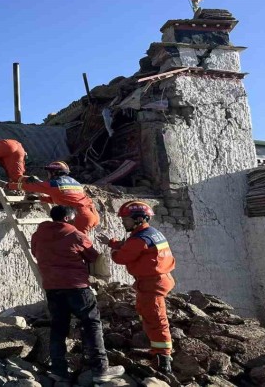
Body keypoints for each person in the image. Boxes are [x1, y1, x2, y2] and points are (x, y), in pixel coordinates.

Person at [31, 205, 125, 382]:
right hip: (77, 287)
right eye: (74, 218)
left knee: (58, 327)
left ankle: (58, 370)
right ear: (67, 219)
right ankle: (100, 369)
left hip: (52, 287)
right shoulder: (76, 235)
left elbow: (35, 253)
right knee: (91, 324)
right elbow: (93, 257)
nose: (76, 221)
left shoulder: (38, 234)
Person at [96, 201, 176, 374]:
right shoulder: (149, 233)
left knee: (156, 318)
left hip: (152, 283)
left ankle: (164, 358)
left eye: (126, 219)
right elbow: (132, 246)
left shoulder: (140, 238)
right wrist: (112, 243)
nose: (123, 222)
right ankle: (157, 350)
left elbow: (122, 257)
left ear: (138, 219)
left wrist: (113, 251)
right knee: (148, 313)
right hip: (156, 279)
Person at [22, 161, 100, 233]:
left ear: (54, 173)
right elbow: (63, 199)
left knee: (76, 244)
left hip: (81, 216)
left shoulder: (55, 184)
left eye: (49, 172)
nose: (48, 174)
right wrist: (40, 198)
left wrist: (10, 185)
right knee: (77, 242)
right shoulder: (74, 182)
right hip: (92, 214)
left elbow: (29, 186)